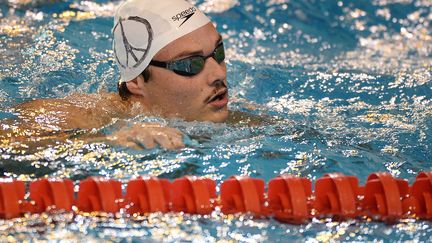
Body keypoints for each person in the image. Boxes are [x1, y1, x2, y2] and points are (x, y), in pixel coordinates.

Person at [2, 0, 233, 150]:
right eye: (190, 64)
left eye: (218, 52)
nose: (218, 72)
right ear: (135, 80)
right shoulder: (76, 116)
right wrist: (107, 142)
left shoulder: (226, 118)